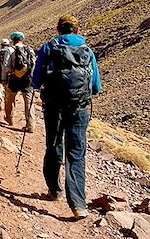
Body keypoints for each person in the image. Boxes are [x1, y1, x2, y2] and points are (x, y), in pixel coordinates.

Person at [31, 14, 101, 220]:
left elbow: (36, 80)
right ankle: (78, 204)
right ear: (77, 30)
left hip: (53, 107)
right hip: (79, 108)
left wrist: (41, 85)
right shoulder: (87, 51)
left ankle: (54, 191)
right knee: (76, 153)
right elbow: (95, 86)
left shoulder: (48, 47)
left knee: (53, 145)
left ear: (58, 29)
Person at [4, 31, 36, 132]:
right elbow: (34, 63)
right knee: (28, 101)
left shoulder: (10, 50)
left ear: (12, 40)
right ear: (22, 39)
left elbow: (6, 65)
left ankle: (10, 118)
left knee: (9, 98)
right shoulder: (29, 49)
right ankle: (30, 125)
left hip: (14, 78)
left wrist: (4, 78)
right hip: (27, 80)